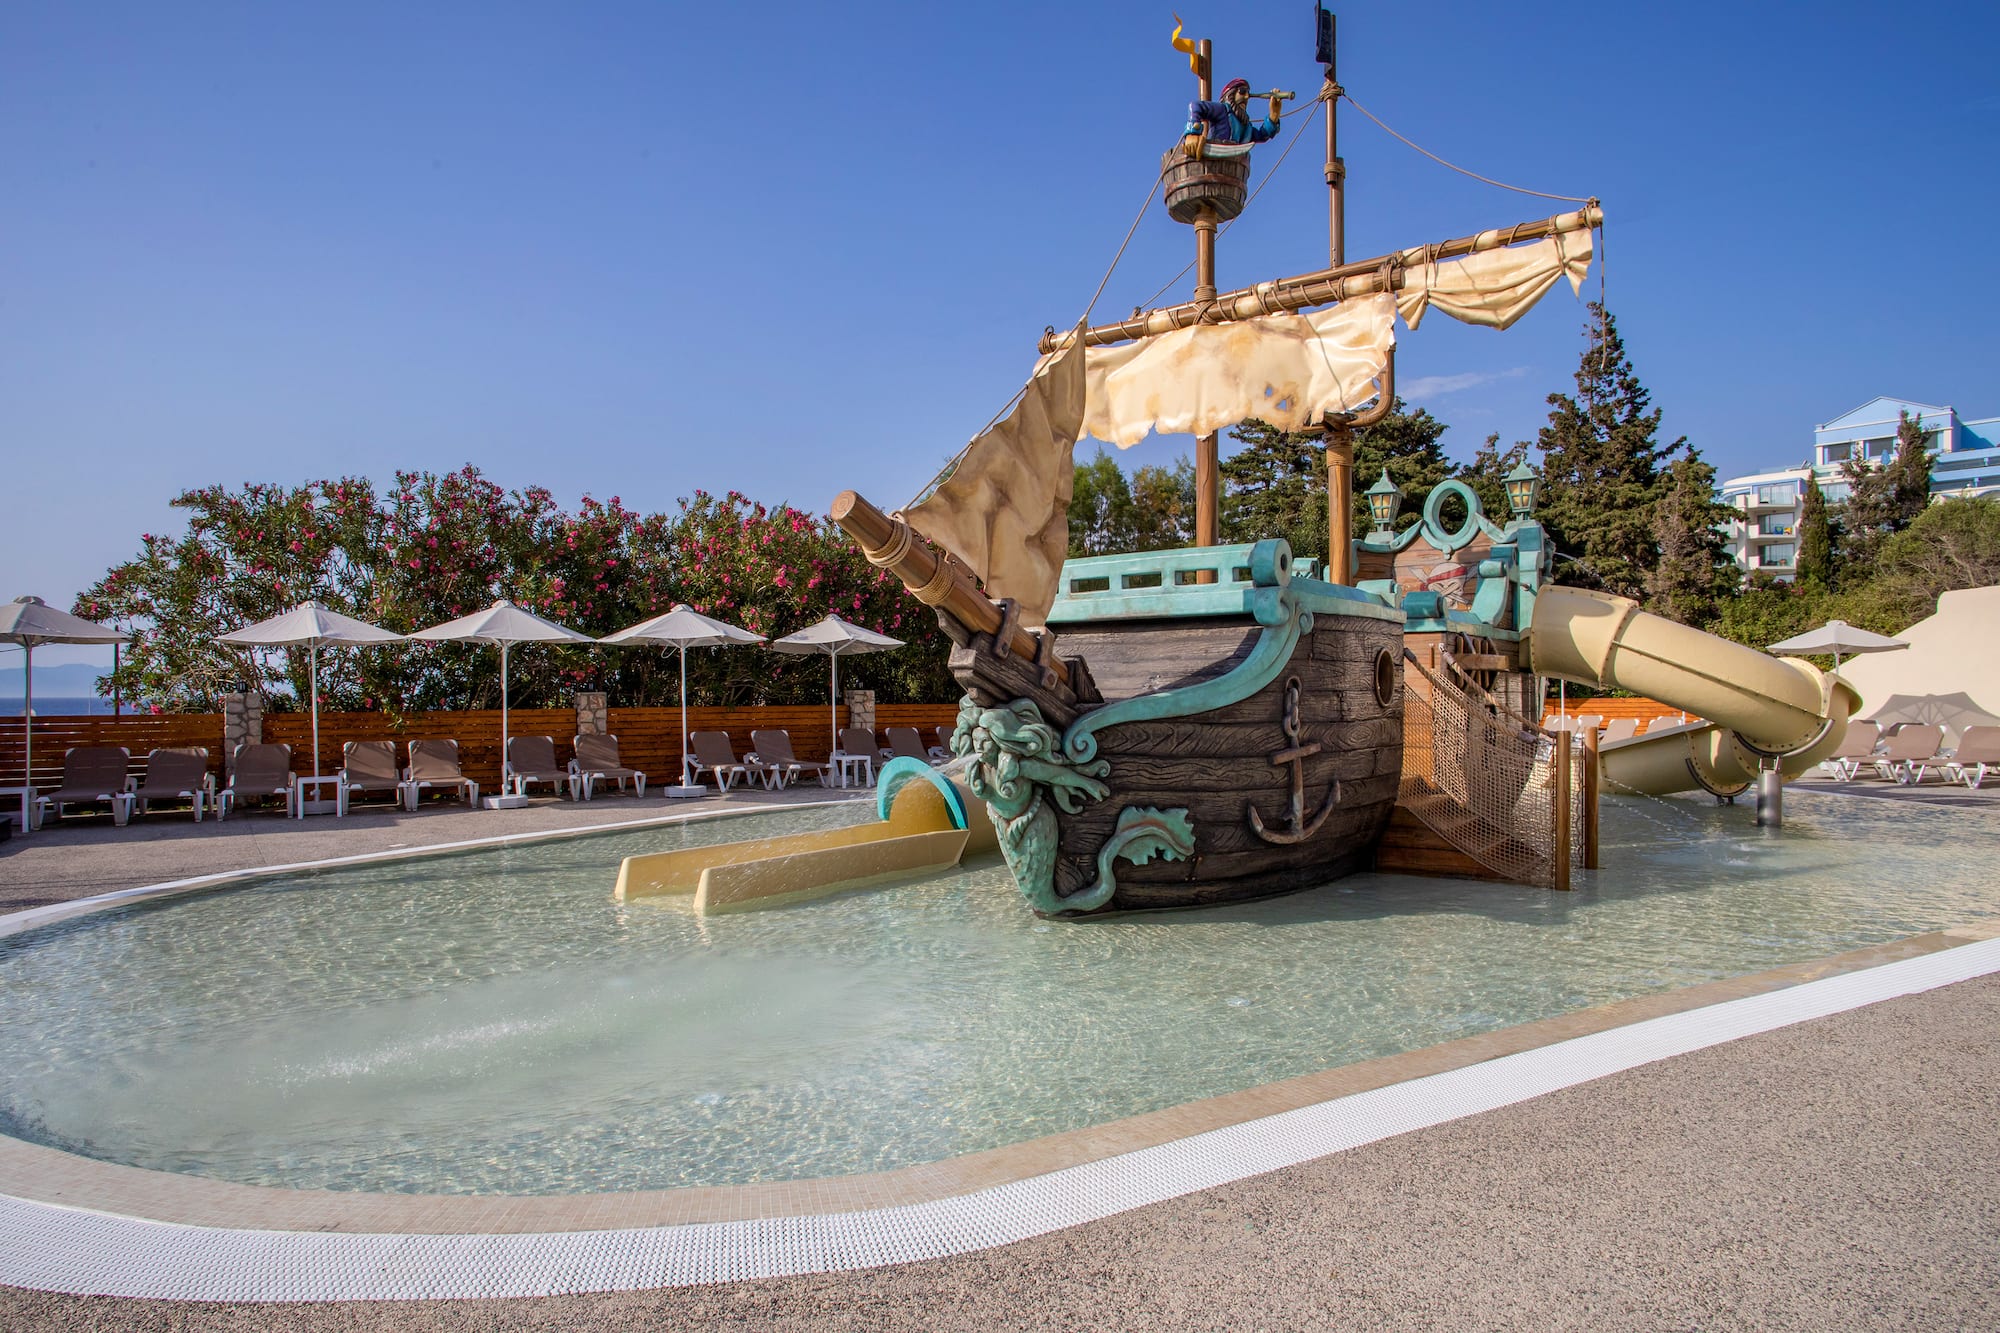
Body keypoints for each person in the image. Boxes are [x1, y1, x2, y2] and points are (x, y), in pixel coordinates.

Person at [1182, 78, 1278, 157]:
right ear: (1230, 95)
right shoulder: (1222, 110)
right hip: (1212, 161)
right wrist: (1192, 133)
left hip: (1234, 170)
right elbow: (1196, 106)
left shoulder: (1246, 125)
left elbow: (1262, 135)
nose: (1246, 97)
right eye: (1242, 92)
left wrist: (1274, 114)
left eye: (1248, 94)